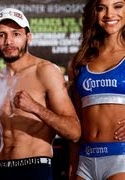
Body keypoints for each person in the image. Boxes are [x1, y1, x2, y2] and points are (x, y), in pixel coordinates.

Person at [0, 7, 81, 179]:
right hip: (1, 169)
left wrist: (35, 108)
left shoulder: (45, 71)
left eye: (16, 34)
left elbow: (74, 131)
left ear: (28, 37)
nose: (8, 41)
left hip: (34, 167)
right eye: (1, 35)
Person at [68, 0, 125, 179]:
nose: (109, 14)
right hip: (85, 158)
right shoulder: (81, 60)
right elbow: (75, 119)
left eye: (118, 6)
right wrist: (73, 163)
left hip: (121, 157)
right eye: (101, 8)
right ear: (94, 12)